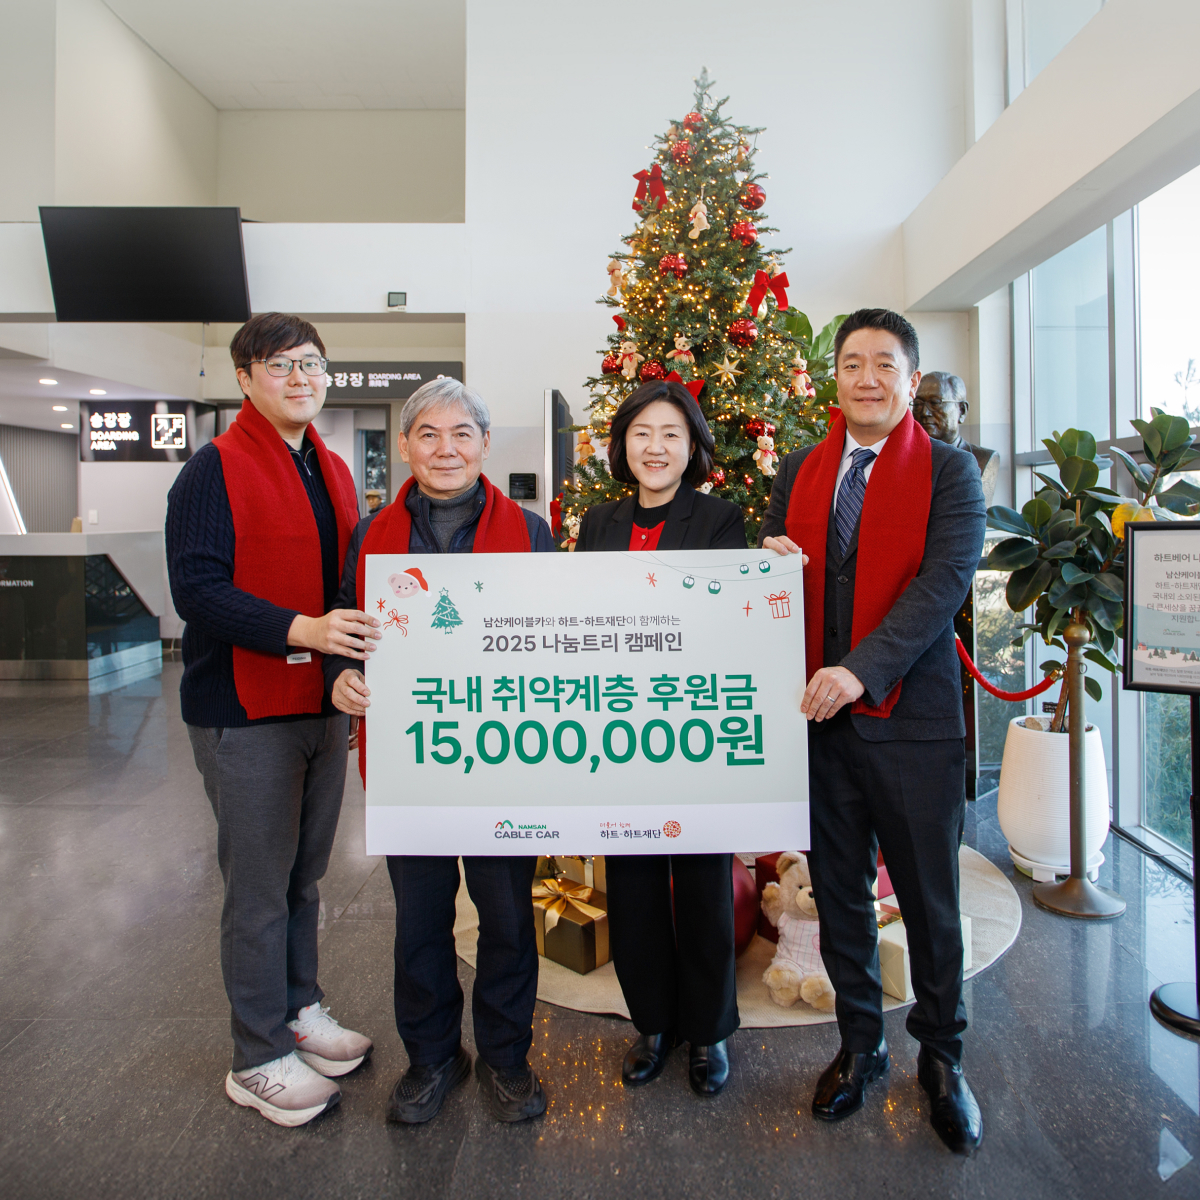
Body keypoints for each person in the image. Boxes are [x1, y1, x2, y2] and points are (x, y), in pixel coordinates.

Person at [758, 309, 987, 1155]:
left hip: (913, 725)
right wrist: (770, 564)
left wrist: (861, 668)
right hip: (819, 724)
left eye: (884, 364)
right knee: (840, 895)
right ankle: (861, 1045)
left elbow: (943, 585)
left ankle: (943, 1057)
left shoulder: (951, 472)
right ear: (836, 377)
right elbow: (779, 576)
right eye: (852, 362)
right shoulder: (801, 469)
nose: (866, 378)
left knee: (930, 903)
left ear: (911, 380)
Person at [323, 377, 555, 1126]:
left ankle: (506, 1056)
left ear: (484, 444)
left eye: (461, 434)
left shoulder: (531, 531)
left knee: (507, 917)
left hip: (505, 759)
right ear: (405, 446)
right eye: (428, 434)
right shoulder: (371, 533)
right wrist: (339, 676)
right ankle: (431, 1056)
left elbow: (560, 635)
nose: (445, 449)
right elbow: (345, 622)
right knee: (419, 920)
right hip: (410, 761)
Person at [166, 313, 379, 1128]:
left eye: (313, 365)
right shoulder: (212, 469)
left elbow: (344, 581)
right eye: (282, 365)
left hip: (319, 704)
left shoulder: (329, 467)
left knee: (302, 876)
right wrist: (306, 632)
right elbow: (199, 592)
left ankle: (297, 1009)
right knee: (257, 888)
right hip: (244, 709)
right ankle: (255, 1058)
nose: (301, 379)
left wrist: (341, 660)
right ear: (245, 377)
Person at [574, 380, 747, 1097]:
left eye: (671, 433)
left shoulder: (720, 519)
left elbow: (725, 617)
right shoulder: (598, 522)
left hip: (688, 723)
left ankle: (707, 1031)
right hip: (621, 728)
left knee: (703, 884)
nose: (655, 447)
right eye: (642, 433)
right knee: (634, 885)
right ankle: (653, 1023)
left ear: (692, 446)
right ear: (622, 445)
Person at [912, 371, 1000, 506]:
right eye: (918, 404)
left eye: (935, 403)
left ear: (962, 410)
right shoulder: (905, 458)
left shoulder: (983, 458)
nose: (925, 412)